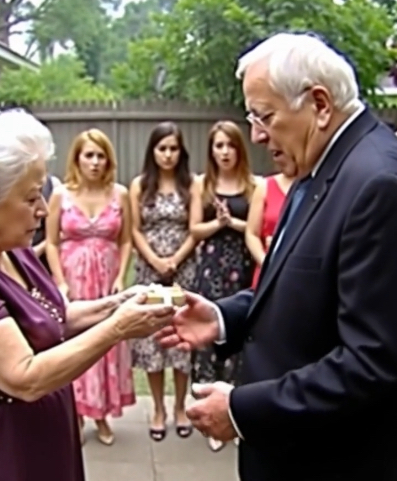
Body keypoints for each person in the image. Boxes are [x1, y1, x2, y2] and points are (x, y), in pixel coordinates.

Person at [158, 32, 397, 481]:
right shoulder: (318, 166)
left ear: (319, 104)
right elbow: (301, 288)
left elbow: (372, 363)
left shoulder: (378, 184)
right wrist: (223, 318)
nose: (256, 134)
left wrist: (242, 408)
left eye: (265, 116)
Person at [0, 103, 176, 481]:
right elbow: (24, 376)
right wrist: (118, 328)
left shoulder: (9, 248)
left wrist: (118, 303)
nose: (44, 209)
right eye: (31, 198)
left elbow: (51, 315)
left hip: (28, 442)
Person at [45, 128, 135, 446]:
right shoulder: (60, 195)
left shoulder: (120, 194)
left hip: (106, 280)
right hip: (74, 279)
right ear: (77, 159)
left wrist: (121, 277)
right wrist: (60, 281)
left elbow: (126, 241)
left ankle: (101, 414)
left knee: (104, 343)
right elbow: (51, 242)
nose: (95, 162)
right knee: (75, 345)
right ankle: (76, 415)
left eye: (101, 156)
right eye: (89, 156)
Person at [129, 121, 199, 441]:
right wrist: (156, 261)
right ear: (153, 151)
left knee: (181, 337)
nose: (168, 155)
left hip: (183, 272)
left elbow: (194, 229)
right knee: (153, 339)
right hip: (149, 272)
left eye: (173, 148)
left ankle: (180, 407)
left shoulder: (192, 184)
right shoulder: (140, 185)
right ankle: (158, 408)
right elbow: (134, 230)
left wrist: (174, 260)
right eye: (162, 148)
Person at [189, 120, 255, 451]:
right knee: (207, 338)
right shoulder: (202, 184)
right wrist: (218, 223)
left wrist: (235, 223)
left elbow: (254, 228)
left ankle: (234, 411)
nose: (225, 152)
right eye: (219, 146)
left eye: (230, 145)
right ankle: (208, 414)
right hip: (210, 268)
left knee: (239, 338)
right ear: (211, 150)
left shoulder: (252, 185)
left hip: (240, 268)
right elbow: (194, 230)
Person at [245, 154, 295, 288]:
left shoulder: (313, 186)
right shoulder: (265, 186)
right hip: (267, 269)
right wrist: (266, 262)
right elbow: (251, 233)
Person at [32, 173, 61, 270]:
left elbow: (59, 233)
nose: (45, 210)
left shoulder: (53, 184)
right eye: (31, 200)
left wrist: (41, 248)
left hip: (45, 261)